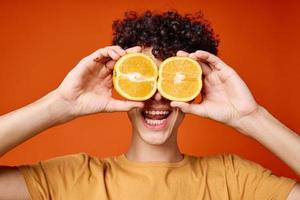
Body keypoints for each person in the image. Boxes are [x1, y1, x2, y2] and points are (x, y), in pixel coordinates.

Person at [0, 10, 299, 200]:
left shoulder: (235, 179)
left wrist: (252, 117)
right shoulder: (73, 178)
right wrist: (58, 105)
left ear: (194, 86)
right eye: (144, 78)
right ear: (121, 82)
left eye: (170, 79)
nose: (157, 96)